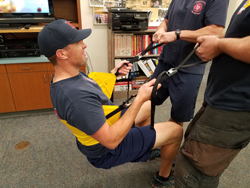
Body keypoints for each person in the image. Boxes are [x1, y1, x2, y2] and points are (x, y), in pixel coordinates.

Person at [37, 19, 183, 188]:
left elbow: (93, 91)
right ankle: (163, 178)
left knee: (146, 108)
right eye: (78, 43)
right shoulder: (75, 98)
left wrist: (114, 73)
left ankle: (145, 149)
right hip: (106, 151)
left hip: (102, 128)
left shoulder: (69, 77)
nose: (84, 45)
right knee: (176, 131)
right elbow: (111, 140)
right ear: (62, 54)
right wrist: (140, 98)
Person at [174, 0, 250, 187]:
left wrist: (218, 45)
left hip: (236, 103)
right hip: (221, 96)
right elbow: (238, 35)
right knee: (192, 145)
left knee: (193, 172)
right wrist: (221, 41)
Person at [152, 0, 229, 127]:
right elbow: (166, 20)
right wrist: (161, 29)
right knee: (146, 102)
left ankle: (167, 144)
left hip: (188, 67)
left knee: (177, 117)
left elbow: (215, 31)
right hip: (166, 61)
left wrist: (178, 34)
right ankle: (142, 143)